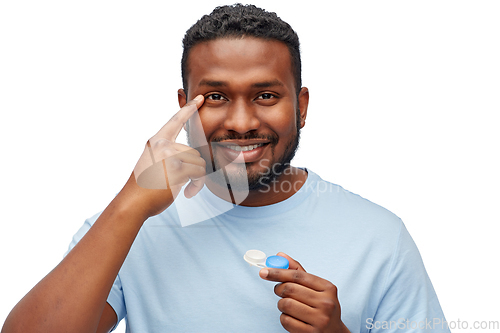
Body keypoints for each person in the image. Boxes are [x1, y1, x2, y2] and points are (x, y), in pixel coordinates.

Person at [2, 4, 450, 333]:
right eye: (215, 97)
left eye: (266, 96)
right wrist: (129, 206)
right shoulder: (128, 226)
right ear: (184, 106)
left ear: (302, 106)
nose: (240, 122)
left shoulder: (379, 236)